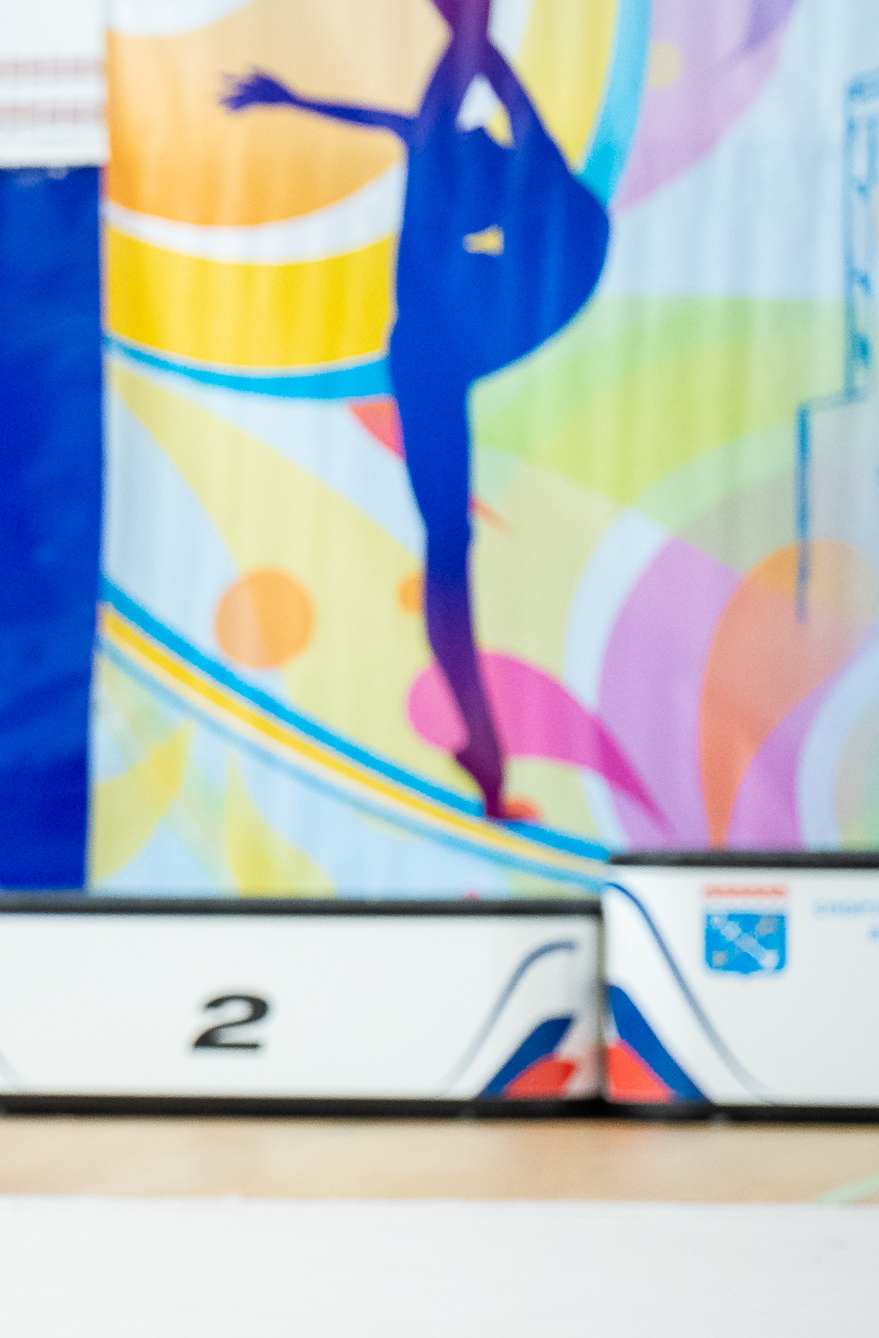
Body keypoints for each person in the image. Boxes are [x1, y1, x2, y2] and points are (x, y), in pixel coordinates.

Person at [225, 0, 609, 818]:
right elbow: (453, 94)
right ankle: (486, 752)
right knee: (448, 552)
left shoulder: (476, 176)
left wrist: (468, 28)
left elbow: (465, 87)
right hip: (482, 319)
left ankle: (487, 753)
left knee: (449, 551)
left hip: (479, 315)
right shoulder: (492, 173)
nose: (472, 132)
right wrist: (298, 99)